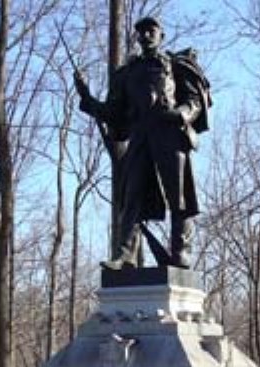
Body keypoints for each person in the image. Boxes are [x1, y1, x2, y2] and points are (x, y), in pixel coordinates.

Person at [74, 16, 211, 270]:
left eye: (151, 30)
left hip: (170, 135)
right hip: (140, 138)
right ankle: (125, 255)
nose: (146, 35)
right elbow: (113, 112)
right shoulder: (127, 74)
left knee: (178, 195)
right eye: (141, 32)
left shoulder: (175, 65)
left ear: (161, 35)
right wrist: (86, 97)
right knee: (131, 195)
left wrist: (178, 114)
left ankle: (181, 251)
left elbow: (195, 102)